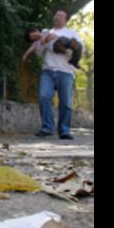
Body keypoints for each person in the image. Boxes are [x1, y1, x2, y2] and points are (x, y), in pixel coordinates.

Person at [33, 9, 84, 140]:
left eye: (61, 16)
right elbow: (38, 52)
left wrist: (62, 49)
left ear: (65, 20)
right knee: (44, 97)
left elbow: (78, 52)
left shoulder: (72, 33)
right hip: (48, 70)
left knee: (66, 103)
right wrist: (45, 42)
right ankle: (47, 128)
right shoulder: (45, 32)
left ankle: (64, 130)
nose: (58, 17)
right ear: (53, 18)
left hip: (66, 72)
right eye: (56, 15)